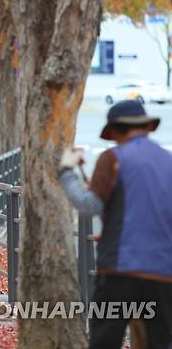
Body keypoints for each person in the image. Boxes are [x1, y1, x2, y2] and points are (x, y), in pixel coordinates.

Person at [58, 100, 172, 349]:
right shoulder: (168, 161)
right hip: (163, 272)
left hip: (120, 271)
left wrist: (66, 171)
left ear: (116, 130)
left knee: (105, 341)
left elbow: (89, 205)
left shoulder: (113, 158)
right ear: (146, 127)